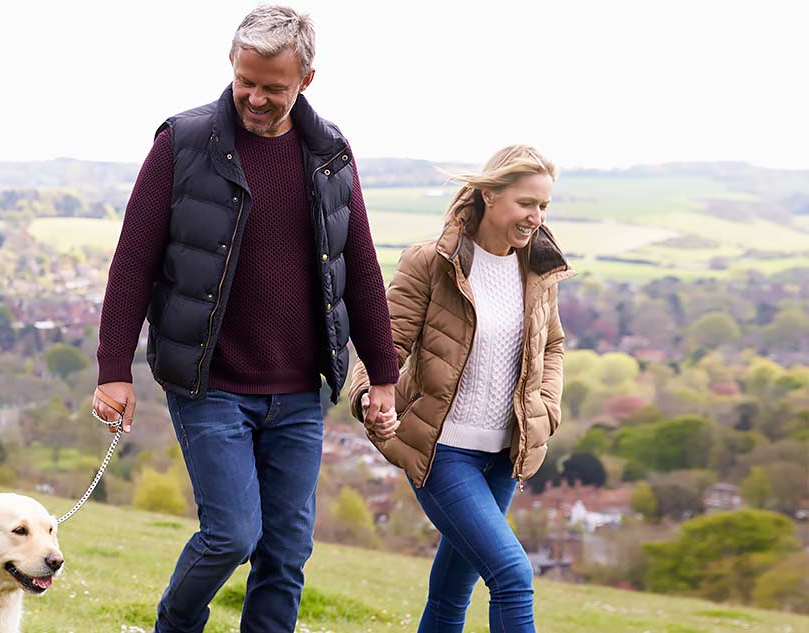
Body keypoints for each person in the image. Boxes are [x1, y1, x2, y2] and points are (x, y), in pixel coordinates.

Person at [89, 5, 398, 631]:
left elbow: (359, 264)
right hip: (210, 383)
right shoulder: (183, 142)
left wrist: (384, 376)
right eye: (244, 81)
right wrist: (112, 370)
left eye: (272, 87)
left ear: (306, 80)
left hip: (298, 392)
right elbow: (132, 264)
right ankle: (175, 623)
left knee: (285, 554)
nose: (254, 98)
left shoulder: (331, 151)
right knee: (231, 534)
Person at [346, 144, 574, 633]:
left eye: (544, 206)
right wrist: (370, 397)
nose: (536, 217)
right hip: (442, 452)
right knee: (512, 575)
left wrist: (545, 410)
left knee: (452, 593)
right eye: (526, 203)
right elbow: (384, 343)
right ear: (491, 195)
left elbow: (552, 346)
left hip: (504, 457)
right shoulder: (432, 262)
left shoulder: (538, 270)